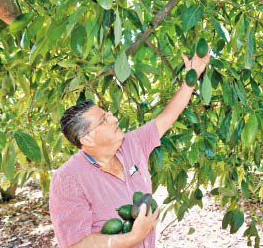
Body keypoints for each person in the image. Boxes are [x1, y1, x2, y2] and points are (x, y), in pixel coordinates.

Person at [49, 51, 210, 248]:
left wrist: (192, 77)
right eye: (104, 120)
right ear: (88, 139)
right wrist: (132, 237)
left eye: (108, 114)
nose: (115, 119)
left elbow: (167, 118)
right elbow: (75, 244)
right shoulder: (68, 178)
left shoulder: (131, 144)